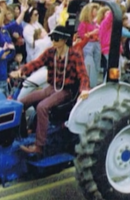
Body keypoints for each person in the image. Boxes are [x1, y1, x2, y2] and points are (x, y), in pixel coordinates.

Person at [9, 25, 90, 155]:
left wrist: (84, 89)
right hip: (52, 87)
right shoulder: (50, 52)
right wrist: (21, 71)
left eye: (56, 38)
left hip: (66, 91)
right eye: (52, 38)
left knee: (42, 107)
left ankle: (39, 147)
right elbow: (36, 63)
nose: (53, 41)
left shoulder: (74, 54)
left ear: (64, 40)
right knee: (21, 102)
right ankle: (24, 134)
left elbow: (83, 74)